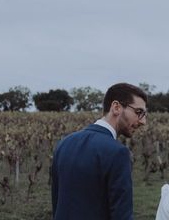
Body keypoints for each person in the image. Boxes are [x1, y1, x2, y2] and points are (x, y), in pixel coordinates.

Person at [51, 82, 148, 220]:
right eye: (138, 112)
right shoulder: (118, 153)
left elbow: (57, 203)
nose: (143, 121)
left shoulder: (64, 144)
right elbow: (122, 215)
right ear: (116, 107)